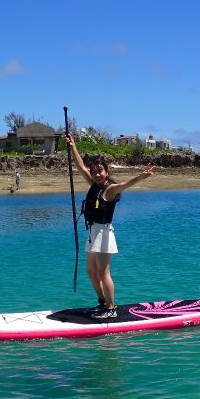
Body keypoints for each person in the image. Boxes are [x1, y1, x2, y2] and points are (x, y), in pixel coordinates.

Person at [66, 135, 154, 319]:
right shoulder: (94, 185)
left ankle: (111, 308)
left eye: (100, 171)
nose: (97, 174)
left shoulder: (109, 189)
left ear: (107, 171)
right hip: (92, 232)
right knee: (91, 272)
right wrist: (73, 146)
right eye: (94, 171)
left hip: (103, 233)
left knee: (103, 272)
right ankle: (102, 303)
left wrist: (142, 176)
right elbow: (81, 166)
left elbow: (124, 184)